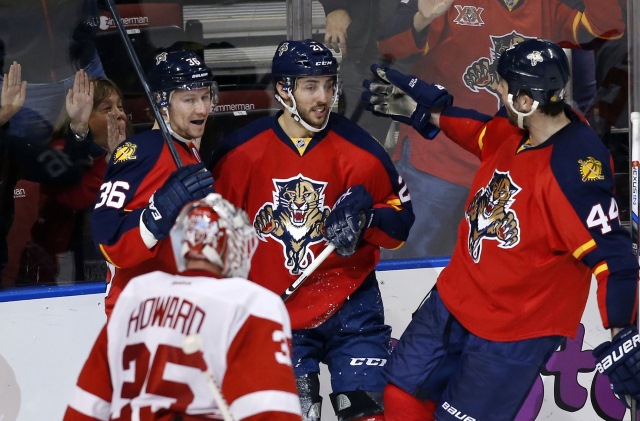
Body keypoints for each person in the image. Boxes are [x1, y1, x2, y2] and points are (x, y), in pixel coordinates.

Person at [362, 39, 640, 420]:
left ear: (527, 101)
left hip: (512, 334)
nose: (496, 89)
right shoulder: (520, 130)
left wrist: (623, 335)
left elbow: (615, 260)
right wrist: (427, 114)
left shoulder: (573, 174)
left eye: (503, 86)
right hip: (453, 302)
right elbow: (479, 133)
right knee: (400, 399)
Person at [210, 39, 414, 421]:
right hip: (277, 314)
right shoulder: (240, 153)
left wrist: (368, 219)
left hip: (352, 309)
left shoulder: (360, 150)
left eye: (329, 85)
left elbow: (401, 223)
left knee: (368, 415)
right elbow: (211, 237)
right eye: (310, 87)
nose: (324, 97)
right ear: (283, 90)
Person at [376, 0, 627, 259]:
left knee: (500, 267)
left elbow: (606, 28)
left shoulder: (549, 5)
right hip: (436, 161)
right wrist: (421, 19)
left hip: (510, 169)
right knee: (406, 261)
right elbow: (387, 47)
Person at [64, 193, 303, 420]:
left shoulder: (135, 296)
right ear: (227, 246)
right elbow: (270, 413)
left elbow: (84, 408)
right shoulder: (250, 304)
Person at [91, 49, 215, 315]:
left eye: (205, 96)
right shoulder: (140, 151)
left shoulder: (187, 149)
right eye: (189, 99)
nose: (202, 108)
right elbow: (107, 240)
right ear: (161, 103)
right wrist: (153, 217)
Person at [18, 75, 129, 285]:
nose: (119, 114)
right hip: (66, 266)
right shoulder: (61, 152)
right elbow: (75, 199)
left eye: (120, 107)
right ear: (85, 116)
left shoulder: (129, 151)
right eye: (107, 109)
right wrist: (109, 160)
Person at [318, 0, 399, 145]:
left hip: (434, 52)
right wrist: (334, 6)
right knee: (358, 152)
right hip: (366, 54)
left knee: (434, 155)